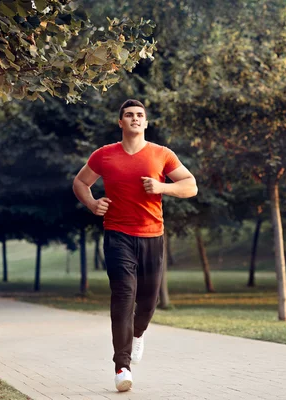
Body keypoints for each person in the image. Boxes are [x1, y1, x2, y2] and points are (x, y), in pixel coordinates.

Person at [72, 99, 198, 392]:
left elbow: (191, 185)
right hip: (117, 236)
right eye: (129, 115)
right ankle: (122, 366)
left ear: (146, 121)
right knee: (123, 298)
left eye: (140, 115)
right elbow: (80, 182)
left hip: (153, 236)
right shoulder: (104, 156)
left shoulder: (161, 155)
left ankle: (138, 334)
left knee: (148, 302)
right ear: (121, 122)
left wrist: (163, 187)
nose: (135, 119)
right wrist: (92, 203)